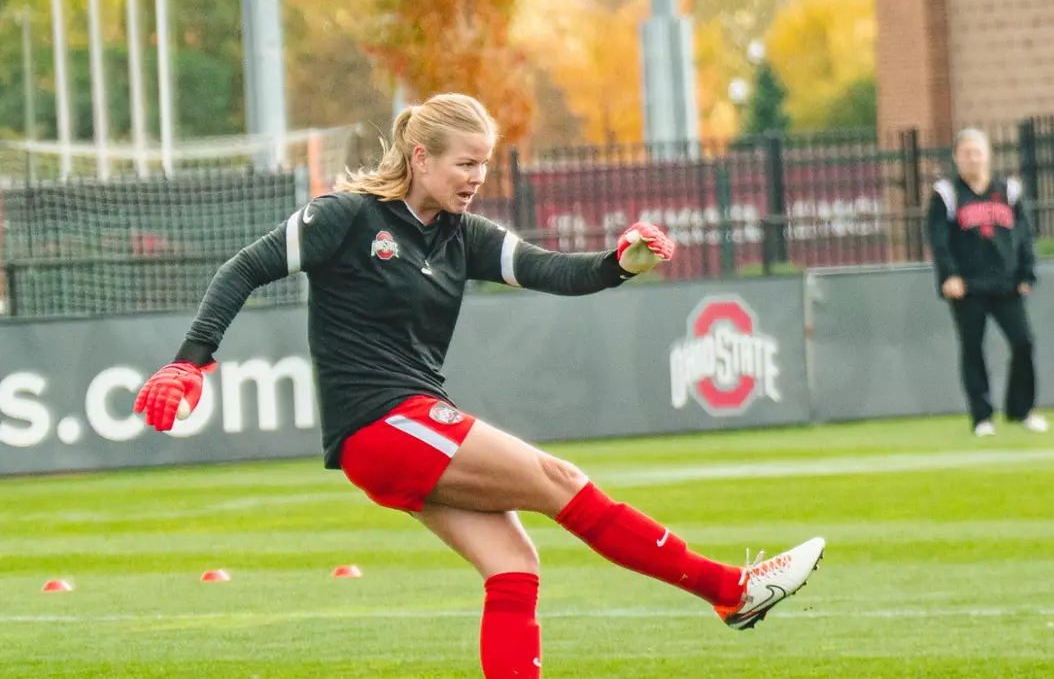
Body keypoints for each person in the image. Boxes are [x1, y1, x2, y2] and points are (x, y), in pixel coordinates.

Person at [133, 94, 824, 679]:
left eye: (484, 165)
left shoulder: (465, 236)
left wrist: (621, 262)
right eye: (465, 163)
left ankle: (730, 594)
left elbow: (559, 273)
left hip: (404, 429)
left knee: (513, 566)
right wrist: (190, 360)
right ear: (421, 157)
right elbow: (243, 269)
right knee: (559, 480)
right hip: (381, 423)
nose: (476, 178)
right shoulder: (345, 218)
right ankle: (730, 589)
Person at [926, 127, 1046, 437]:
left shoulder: (1009, 191)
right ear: (956, 157)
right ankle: (982, 416)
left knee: (1024, 342)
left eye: (978, 151)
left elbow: (1024, 235)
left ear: (988, 155)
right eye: (966, 152)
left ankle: (1021, 409)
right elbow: (939, 241)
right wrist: (949, 276)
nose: (973, 158)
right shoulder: (947, 195)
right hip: (967, 286)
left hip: (1006, 284)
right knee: (972, 348)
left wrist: (1026, 273)